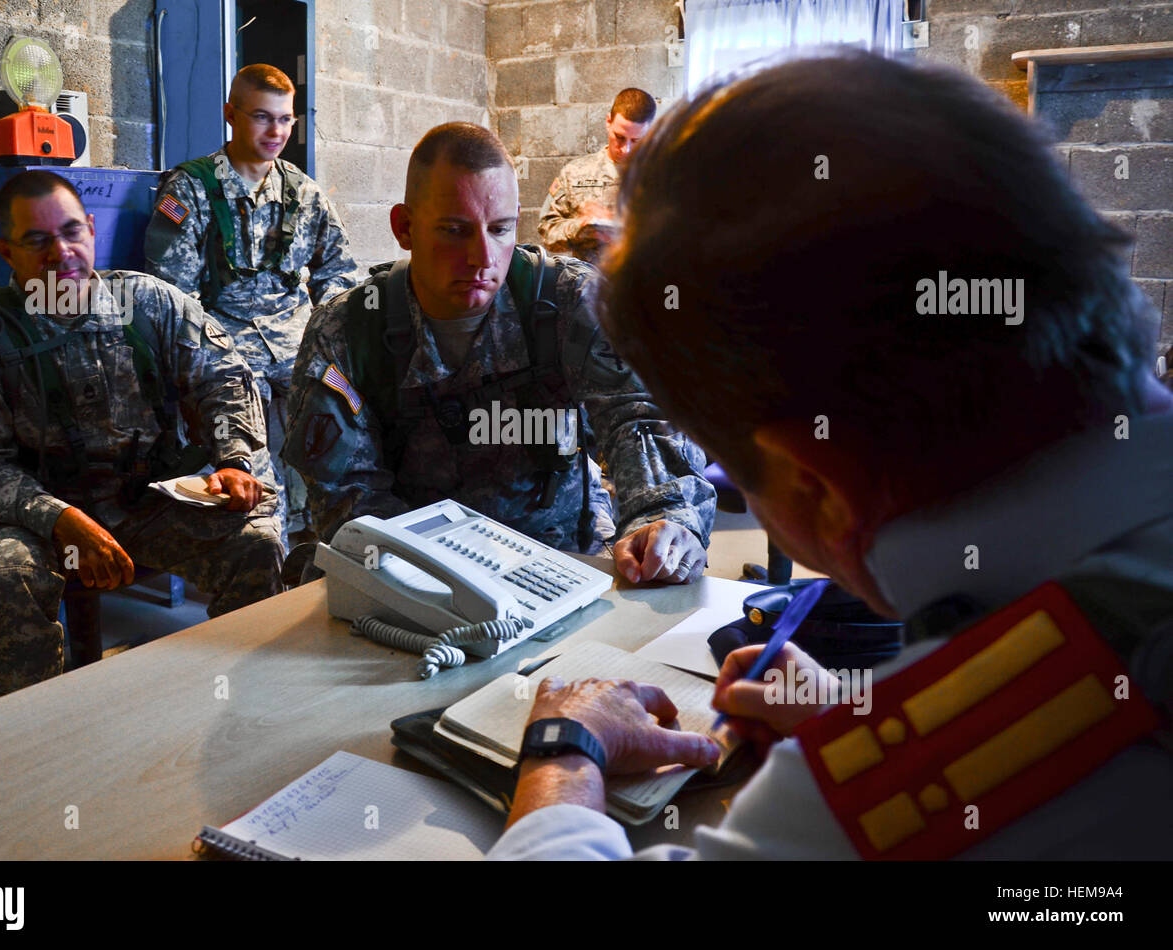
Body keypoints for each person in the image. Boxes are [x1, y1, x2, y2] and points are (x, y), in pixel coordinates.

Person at [487, 51, 1173, 860]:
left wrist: (565, 752)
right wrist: (866, 702)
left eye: (738, 471)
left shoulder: (886, 794)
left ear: (817, 488)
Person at [281, 123, 716, 586]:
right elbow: (351, 498)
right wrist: (445, 585)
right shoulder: (349, 329)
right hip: (416, 574)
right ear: (404, 227)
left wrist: (662, 517)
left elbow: (640, 415)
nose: (482, 257)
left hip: (565, 556)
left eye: (500, 229)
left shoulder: (570, 301)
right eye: (454, 231)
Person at [0, 170, 284, 702]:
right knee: (0, 577)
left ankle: (241, 703)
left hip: (146, 504)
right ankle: (25, 739)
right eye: (37, 240)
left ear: (91, 229)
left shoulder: (151, 304)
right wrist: (58, 517)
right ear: (6, 251)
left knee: (257, 540)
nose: (60, 252)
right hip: (33, 521)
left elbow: (223, 381)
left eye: (71, 232)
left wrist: (235, 460)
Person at [145, 63, 358, 544]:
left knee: (349, 421)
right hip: (226, 347)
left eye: (285, 120)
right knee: (256, 465)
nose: (276, 131)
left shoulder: (305, 192)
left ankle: (343, 553)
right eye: (263, 117)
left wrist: (338, 347)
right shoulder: (190, 189)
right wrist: (209, 359)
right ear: (230, 115)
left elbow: (339, 275)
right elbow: (173, 296)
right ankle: (272, 570)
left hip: (298, 342)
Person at [537, 88, 655, 265]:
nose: (626, 149)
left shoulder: (663, 176)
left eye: (636, 141)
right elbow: (547, 231)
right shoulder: (576, 172)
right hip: (588, 287)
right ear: (608, 121)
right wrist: (582, 227)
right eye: (619, 137)